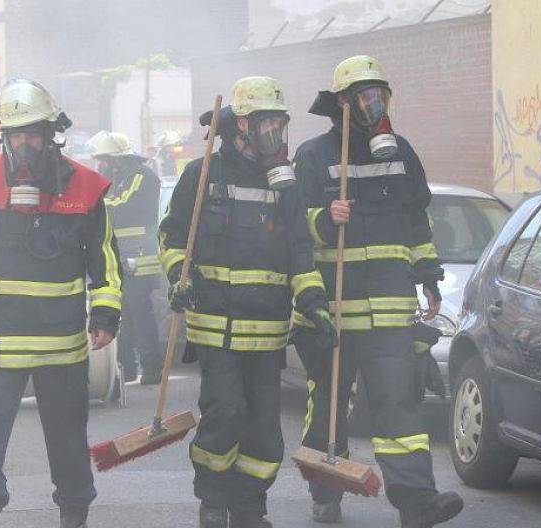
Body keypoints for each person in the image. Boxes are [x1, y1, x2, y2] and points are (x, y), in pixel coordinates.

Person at [291, 55, 464, 528]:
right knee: (328, 410)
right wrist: (324, 218)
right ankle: (325, 492)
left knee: (399, 407)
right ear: (342, 103)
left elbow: (416, 221)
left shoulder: (400, 152)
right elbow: (292, 227)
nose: (374, 105)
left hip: (389, 312)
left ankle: (417, 503)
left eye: (379, 96)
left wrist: (428, 274)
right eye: (364, 97)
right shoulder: (313, 155)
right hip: (332, 311)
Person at [0, 79, 122, 528]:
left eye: (32, 135)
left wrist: (105, 313)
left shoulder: (85, 187)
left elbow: (104, 259)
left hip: (60, 343)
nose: (23, 145)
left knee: (67, 437)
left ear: (51, 135)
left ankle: (74, 513)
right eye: (15, 135)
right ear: (3, 137)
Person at [158, 76, 335, 528]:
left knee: (263, 429)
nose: (275, 133)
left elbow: (300, 252)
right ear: (242, 125)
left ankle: (250, 507)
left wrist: (314, 301)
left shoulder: (286, 185)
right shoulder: (202, 175)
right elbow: (172, 237)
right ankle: (213, 502)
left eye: (279, 124)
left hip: (268, 331)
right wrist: (180, 275)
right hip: (215, 327)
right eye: (266, 124)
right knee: (224, 414)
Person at [89, 131, 163, 384]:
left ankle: (151, 368)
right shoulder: (119, 178)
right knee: (124, 317)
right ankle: (126, 369)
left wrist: (92, 204)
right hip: (122, 256)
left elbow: (122, 206)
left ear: (117, 160)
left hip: (138, 259)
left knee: (141, 315)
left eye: (104, 160)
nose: (101, 165)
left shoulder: (141, 176)